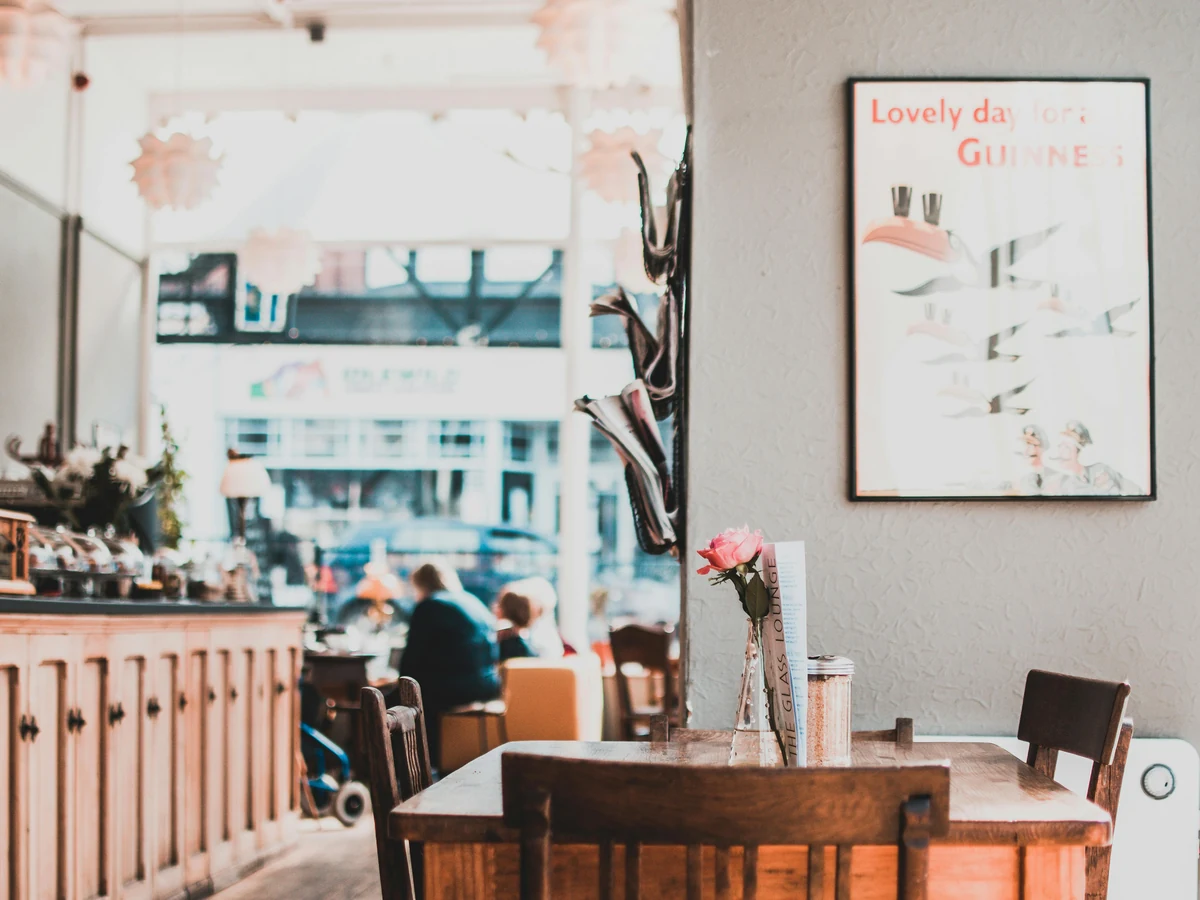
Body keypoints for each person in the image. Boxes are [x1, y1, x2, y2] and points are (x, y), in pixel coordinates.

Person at [398, 561, 500, 768]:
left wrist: (396, 685)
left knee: (397, 701)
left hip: (455, 689)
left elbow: (411, 660)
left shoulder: (430, 605)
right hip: (487, 684)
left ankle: (413, 769)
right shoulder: (472, 601)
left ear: (421, 585)